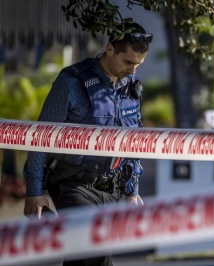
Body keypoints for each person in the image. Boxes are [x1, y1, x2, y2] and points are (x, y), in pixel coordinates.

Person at [23, 21, 153, 266]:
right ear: (110, 49)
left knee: (84, 259)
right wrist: (34, 192)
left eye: (138, 65)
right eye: (128, 63)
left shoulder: (132, 87)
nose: (134, 71)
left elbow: (133, 140)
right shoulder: (71, 83)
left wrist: (131, 191)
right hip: (74, 187)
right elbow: (40, 136)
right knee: (96, 255)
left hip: (112, 190)